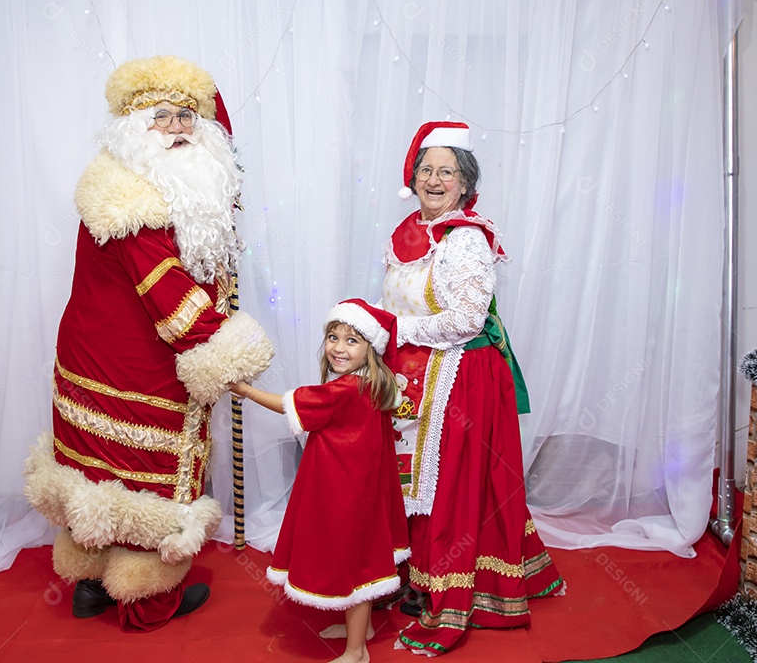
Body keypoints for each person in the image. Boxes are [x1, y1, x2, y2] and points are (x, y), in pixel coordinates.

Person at [23, 55, 274, 632]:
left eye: (189, 116)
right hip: (143, 368)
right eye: (164, 116)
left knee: (95, 470)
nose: (180, 127)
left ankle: (89, 587)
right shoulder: (134, 200)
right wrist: (224, 349)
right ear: (134, 125)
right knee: (149, 479)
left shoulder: (152, 182)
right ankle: (147, 601)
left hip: (92, 357)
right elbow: (167, 291)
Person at [384, 121, 564, 655]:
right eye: (427, 169)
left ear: (465, 184)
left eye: (448, 172)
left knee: (455, 482)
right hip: (418, 372)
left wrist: (391, 330)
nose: (435, 180)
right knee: (418, 478)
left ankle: (457, 587)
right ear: (412, 175)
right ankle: (422, 574)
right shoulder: (406, 232)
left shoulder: (466, 239)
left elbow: (465, 319)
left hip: (463, 373)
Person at [231, 299, 409, 663]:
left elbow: (290, 404)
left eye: (352, 340)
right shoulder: (370, 384)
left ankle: (357, 651)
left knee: (353, 568)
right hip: (357, 488)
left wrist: (247, 391)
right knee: (362, 558)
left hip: (345, 492)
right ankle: (365, 628)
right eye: (333, 337)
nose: (338, 348)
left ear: (370, 349)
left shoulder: (345, 390)